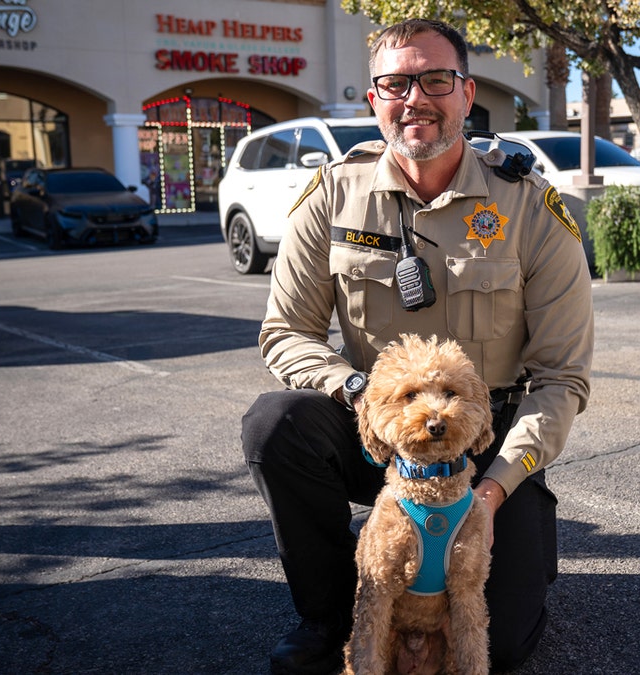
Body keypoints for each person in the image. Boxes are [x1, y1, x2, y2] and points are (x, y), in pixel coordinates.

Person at [241, 18, 593, 674]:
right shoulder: (332, 196)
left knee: (505, 642)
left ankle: (503, 545)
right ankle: (328, 611)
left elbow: (562, 377)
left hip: (487, 445)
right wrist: (359, 392)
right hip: (378, 425)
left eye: (435, 79)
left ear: (467, 93)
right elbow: (285, 332)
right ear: (372, 99)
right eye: (396, 82)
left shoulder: (531, 207)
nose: (415, 98)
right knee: (275, 424)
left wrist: (490, 494)